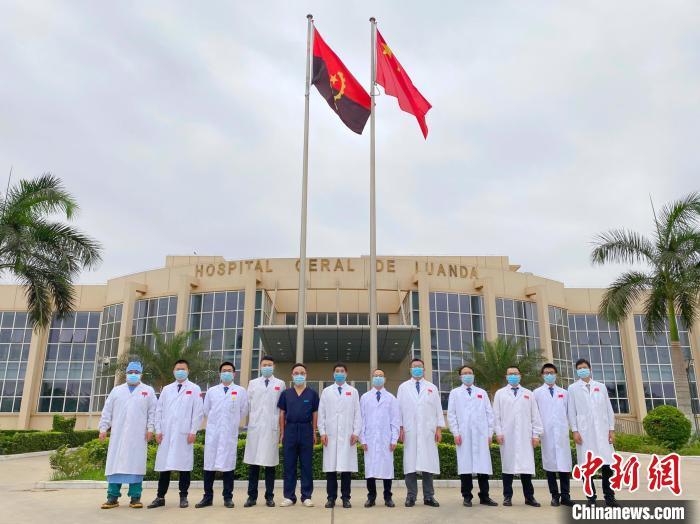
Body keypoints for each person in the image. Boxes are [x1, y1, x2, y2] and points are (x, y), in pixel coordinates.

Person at [99, 361, 156, 509]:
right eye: (130, 372)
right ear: (126, 374)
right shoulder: (117, 391)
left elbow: (153, 412)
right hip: (118, 436)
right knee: (115, 465)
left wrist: (150, 428)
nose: (133, 375)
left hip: (138, 436)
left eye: (136, 372)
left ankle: (135, 498)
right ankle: (112, 498)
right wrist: (103, 428)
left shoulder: (148, 391)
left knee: (136, 465)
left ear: (141, 374)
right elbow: (107, 410)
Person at [148, 359, 204, 509]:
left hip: (184, 434)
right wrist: (158, 430)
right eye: (178, 369)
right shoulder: (167, 389)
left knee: (184, 467)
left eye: (183, 369)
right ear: (173, 371)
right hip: (166, 434)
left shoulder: (194, 389)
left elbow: (198, 412)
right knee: (164, 467)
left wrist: (193, 431)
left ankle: (183, 497)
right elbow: (159, 410)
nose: (180, 371)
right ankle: (160, 497)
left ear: (188, 371)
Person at [195, 362, 248, 509]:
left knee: (228, 466)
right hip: (213, 433)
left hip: (229, 433)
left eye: (229, 371)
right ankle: (207, 497)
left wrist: (231, 422)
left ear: (234, 374)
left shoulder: (240, 391)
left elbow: (243, 410)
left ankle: (228, 497)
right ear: (220, 374)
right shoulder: (212, 391)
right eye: (224, 371)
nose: (226, 373)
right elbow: (206, 410)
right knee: (209, 466)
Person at [568, 358, 619, 507]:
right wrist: (575, 431)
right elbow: (571, 411)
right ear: (577, 371)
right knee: (587, 466)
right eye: (579, 368)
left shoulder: (600, 387)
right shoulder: (573, 388)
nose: (582, 370)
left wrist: (611, 429)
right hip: (585, 433)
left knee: (607, 465)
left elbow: (608, 409)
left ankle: (609, 497)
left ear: (590, 369)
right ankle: (591, 498)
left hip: (602, 432)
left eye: (584, 367)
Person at [447, 365, 498, 507]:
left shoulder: (482, 392)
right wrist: (455, 432)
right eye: (464, 373)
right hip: (464, 435)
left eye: (470, 372)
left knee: (483, 468)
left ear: (474, 375)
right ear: (460, 377)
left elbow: (489, 414)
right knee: (466, 468)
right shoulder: (455, 393)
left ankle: (484, 496)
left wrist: (490, 433)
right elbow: (451, 415)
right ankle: (467, 496)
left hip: (481, 435)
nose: (467, 375)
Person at [397, 357, 445, 508]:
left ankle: (429, 496)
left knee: (427, 464)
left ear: (424, 369)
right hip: (410, 431)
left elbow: (438, 409)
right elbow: (399, 410)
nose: (417, 368)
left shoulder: (432, 387)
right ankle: (411, 496)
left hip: (427, 431)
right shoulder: (403, 387)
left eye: (419, 366)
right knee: (410, 465)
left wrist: (438, 429)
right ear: (410, 369)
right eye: (414, 366)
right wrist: (400, 428)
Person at [492, 366, 543, 507]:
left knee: (526, 468)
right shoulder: (500, 393)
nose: (513, 376)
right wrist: (498, 432)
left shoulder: (528, 393)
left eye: (515, 373)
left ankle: (529, 497)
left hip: (525, 436)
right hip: (507, 436)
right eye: (510, 374)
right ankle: (507, 497)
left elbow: (535, 415)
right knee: (507, 468)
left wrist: (536, 435)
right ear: (506, 376)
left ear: (520, 375)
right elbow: (496, 416)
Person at [318, 362, 362, 509]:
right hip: (330, 436)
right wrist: (322, 432)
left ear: (346, 373)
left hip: (348, 436)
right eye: (337, 371)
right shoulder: (326, 391)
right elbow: (321, 414)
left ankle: (346, 498)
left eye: (342, 371)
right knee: (331, 469)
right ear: (333, 374)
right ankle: (331, 498)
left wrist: (356, 432)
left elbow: (357, 414)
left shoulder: (353, 391)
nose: (339, 373)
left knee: (346, 469)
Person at [244, 355, 285, 508]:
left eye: (269, 364)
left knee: (270, 465)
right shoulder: (253, 383)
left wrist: (281, 429)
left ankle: (269, 497)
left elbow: (282, 408)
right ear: (260, 366)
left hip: (271, 428)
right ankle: (251, 497)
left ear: (274, 366)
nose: (267, 367)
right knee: (253, 466)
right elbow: (248, 405)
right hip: (255, 428)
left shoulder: (280, 384)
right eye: (264, 365)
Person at [278, 362, 320, 507]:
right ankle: (289, 496)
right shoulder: (286, 394)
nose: (299, 376)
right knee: (289, 464)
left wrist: (314, 432)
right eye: (296, 373)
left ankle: (306, 496)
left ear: (306, 375)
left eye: (302, 373)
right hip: (290, 430)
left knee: (306, 464)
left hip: (306, 429)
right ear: (292, 375)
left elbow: (315, 414)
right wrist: (282, 432)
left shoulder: (312, 394)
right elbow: (282, 413)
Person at [534, 363, 574, 507]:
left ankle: (565, 496)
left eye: (551, 372)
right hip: (547, 434)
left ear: (556, 374)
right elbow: (535, 415)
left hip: (562, 434)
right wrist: (536, 433)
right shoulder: (536, 393)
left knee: (564, 466)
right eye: (546, 373)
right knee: (550, 467)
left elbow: (570, 413)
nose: (549, 375)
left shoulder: (564, 392)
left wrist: (573, 429)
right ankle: (554, 496)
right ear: (542, 375)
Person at [360, 368, 400, 508]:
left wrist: (394, 439)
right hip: (370, 439)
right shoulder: (365, 397)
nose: (378, 378)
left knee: (387, 469)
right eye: (376, 375)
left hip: (386, 439)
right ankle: (371, 497)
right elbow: (361, 420)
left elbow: (395, 420)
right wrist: (362, 439)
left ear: (385, 379)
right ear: (372, 378)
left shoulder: (391, 398)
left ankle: (388, 497)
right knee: (370, 469)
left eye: (380, 375)